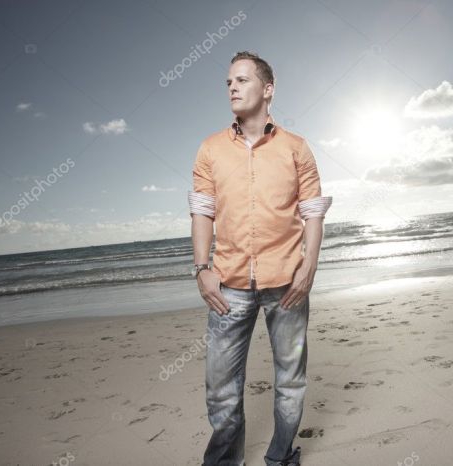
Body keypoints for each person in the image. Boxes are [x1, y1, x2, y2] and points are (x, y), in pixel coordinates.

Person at [188, 50, 332, 466]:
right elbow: (202, 211)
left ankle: (280, 457)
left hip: (288, 282)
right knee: (221, 390)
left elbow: (312, 213)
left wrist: (309, 266)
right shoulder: (210, 149)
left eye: (242, 80)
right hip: (228, 286)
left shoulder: (296, 148)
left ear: (267, 90)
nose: (232, 87)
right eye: (228, 82)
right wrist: (202, 269)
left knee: (290, 381)